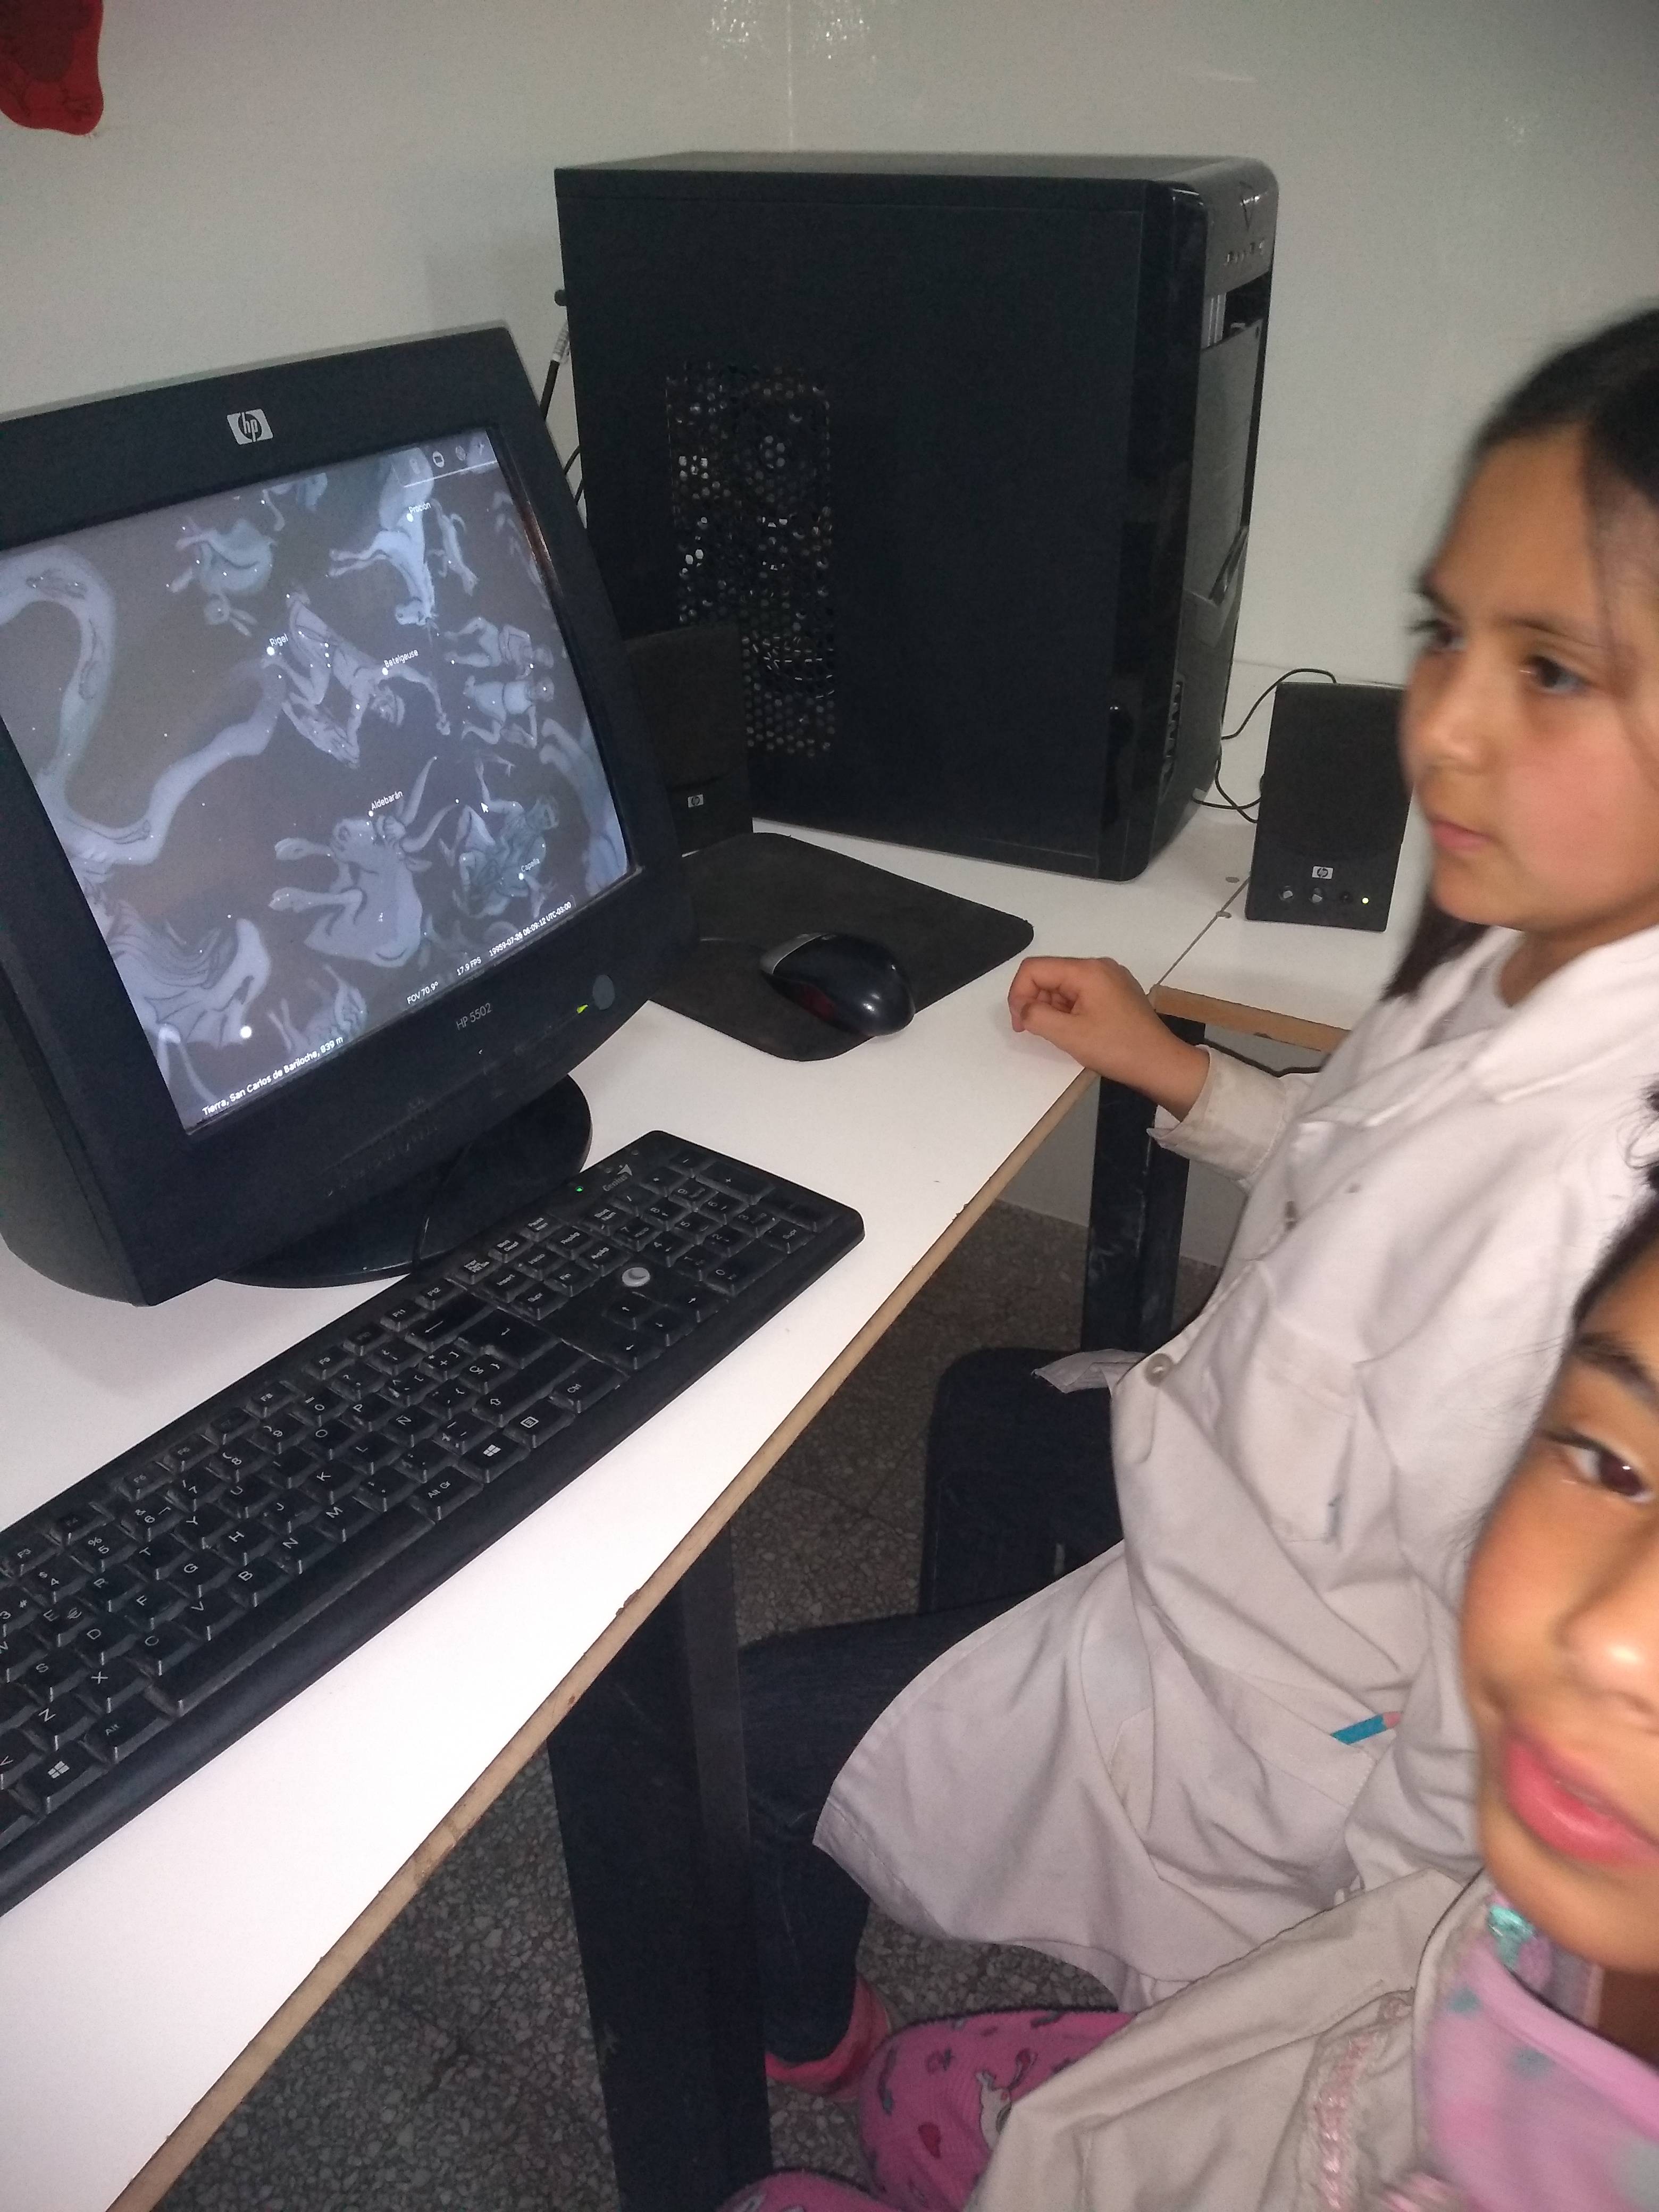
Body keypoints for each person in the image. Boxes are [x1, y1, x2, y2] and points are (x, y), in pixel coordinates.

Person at [741, 303, 1659, 2097]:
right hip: (1241, 1524)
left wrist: (1297, 2009)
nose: (1445, 730)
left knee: (728, 1733)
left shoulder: (1585, 1222)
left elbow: (1467, 1752)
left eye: (1553, 668)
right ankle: (957, 1748)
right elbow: (1361, 1166)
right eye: (1449, 636)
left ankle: (807, 2022)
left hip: (1276, 1744)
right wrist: (1181, 1073)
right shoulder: (1545, 952)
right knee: (986, 1406)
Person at [728, 1169, 1659, 2212]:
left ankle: (829, 1996)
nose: (1610, 1641)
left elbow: (1408, 1833)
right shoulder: (1531, 1928)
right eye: (1615, 1464)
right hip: (1239, 1545)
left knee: (756, 1732)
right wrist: (1214, 1106)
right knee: (907, 2092)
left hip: (1269, 1693)